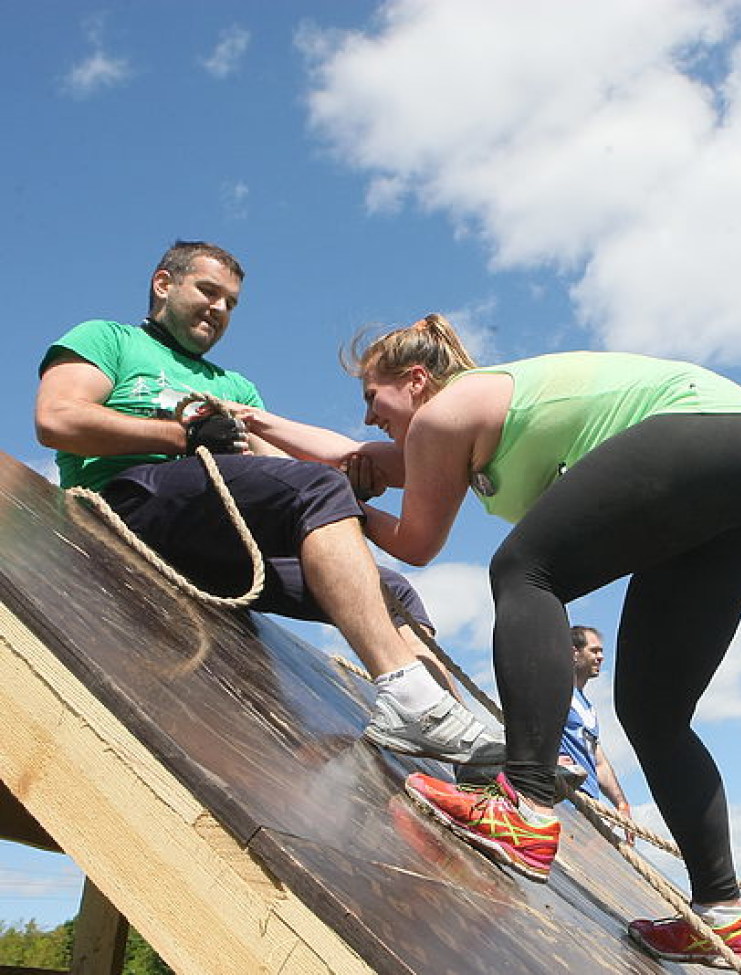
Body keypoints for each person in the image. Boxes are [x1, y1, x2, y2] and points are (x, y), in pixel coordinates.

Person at [236, 314, 741, 969]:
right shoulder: (456, 426)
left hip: (706, 432)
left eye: (372, 397)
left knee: (524, 569)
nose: (367, 418)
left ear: (416, 381)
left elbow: (414, 541)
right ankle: (723, 913)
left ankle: (524, 803)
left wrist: (331, 506)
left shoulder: (449, 412)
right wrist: (254, 422)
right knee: (653, 712)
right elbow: (347, 461)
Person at [34, 242, 503, 768]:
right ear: (164, 284)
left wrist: (349, 489)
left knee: (391, 590)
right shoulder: (107, 338)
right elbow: (57, 419)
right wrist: (178, 435)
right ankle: (409, 696)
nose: (220, 310)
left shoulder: (234, 387)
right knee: (313, 490)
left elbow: (285, 469)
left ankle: (457, 756)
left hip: (217, 539)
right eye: (208, 292)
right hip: (123, 507)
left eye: (231, 303)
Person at [557, 625, 631, 821]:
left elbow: (599, 763)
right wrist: (546, 760)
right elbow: (525, 725)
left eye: (601, 651)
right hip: (560, 799)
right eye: (594, 650)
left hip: (586, 806)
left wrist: (621, 804)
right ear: (574, 653)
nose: (600, 657)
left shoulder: (588, 709)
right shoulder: (556, 691)